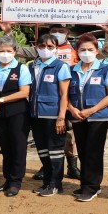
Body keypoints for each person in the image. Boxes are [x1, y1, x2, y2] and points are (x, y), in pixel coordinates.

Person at [0, 18, 108, 181]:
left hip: (72, 99)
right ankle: (47, 168)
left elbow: (107, 52)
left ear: (67, 32)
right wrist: (8, 32)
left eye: (62, 30)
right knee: (47, 138)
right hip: (48, 102)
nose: (58, 33)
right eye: (54, 30)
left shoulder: (77, 49)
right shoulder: (41, 50)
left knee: (70, 137)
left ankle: (72, 166)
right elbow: (18, 50)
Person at [67, 33, 108, 202]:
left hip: (98, 116)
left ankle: (92, 187)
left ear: (97, 51)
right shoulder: (71, 70)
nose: (86, 52)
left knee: (94, 152)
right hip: (77, 116)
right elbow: (64, 94)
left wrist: (92, 110)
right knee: (82, 151)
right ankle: (85, 184)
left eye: (90, 49)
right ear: (77, 51)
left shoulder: (105, 69)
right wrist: (71, 109)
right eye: (82, 49)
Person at [0, 35, 32, 197]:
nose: (5, 53)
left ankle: (16, 181)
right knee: (5, 147)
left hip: (18, 112)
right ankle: (7, 179)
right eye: (2, 51)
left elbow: (24, 92)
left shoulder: (22, 68)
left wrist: (0, 100)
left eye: (9, 51)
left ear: (15, 51)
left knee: (18, 146)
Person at [28, 33, 71, 197]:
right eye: (42, 46)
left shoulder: (61, 66)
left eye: (50, 47)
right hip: (36, 115)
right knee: (43, 151)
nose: (45, 50)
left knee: (55, 151)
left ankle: (55, 184)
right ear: (36, 47)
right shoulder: (32, 66)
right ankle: (47, 182)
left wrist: (61, 116)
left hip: (53, 115)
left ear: (56, 49)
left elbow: (64, 94)